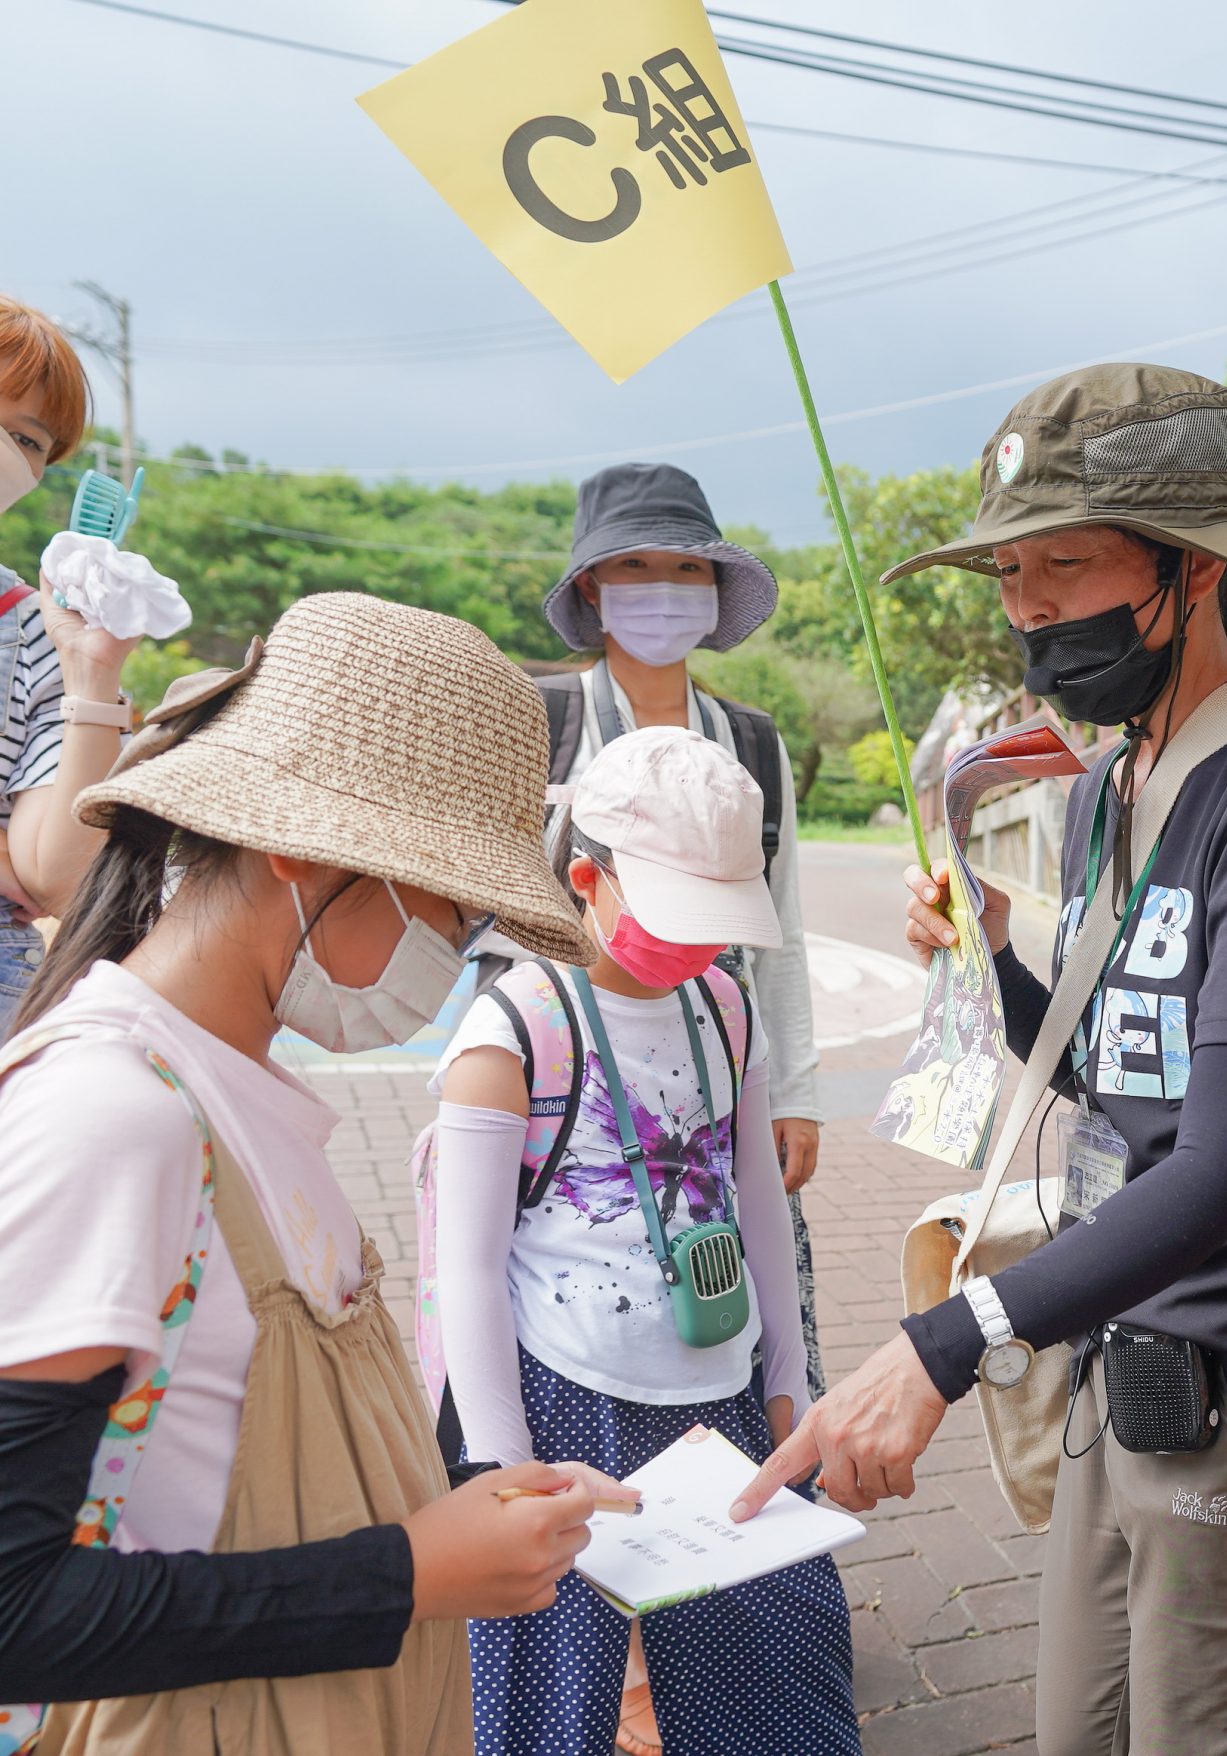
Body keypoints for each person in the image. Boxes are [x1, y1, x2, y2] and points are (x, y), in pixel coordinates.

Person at [737, 365, 1227, 1755]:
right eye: (1007, 570)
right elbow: (1106, 1078)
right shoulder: (1111, 787)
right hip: (1128, 1359)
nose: (1030, 602)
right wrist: (995, 946)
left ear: (1190, 569)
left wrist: (946, 1344)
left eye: (1066, 560)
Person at [0, 592, 628, 1755]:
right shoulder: (110, 1115)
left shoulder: (237, 1095)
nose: (454, 945)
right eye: (449, 898)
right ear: (297, 844)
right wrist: (403, 1573)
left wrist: (447, 1518)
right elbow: (16, 1613)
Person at [434, 725, 856, 1756]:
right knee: (553, 1695)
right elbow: (469, 1269)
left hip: (720, 1390)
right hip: (567, 1391)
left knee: (775, 1671)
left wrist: (787, 1370)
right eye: (678, 918)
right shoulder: (513, 1031)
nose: (698, 948)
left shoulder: (725, 1005)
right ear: (587, 877)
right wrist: (501, 1459)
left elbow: (760, 1198)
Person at [514, 461, 832, 1755]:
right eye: (639, 571)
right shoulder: (542, 726)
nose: (663, 593)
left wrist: (792, 1086)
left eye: (688, 570)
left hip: (716, 1069)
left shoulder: (748, 739)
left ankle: (707, 1615)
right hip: (580, 1090)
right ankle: (623, 1662)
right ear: (593, 591)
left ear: (718, 591)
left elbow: (790, 924)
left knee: (723, 1334)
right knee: (588, 1362)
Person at [0, 297, 152, 1024]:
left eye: (27, 440)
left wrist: (93, 673)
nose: (5, 450)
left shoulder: (30, 626)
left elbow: (55, 877)